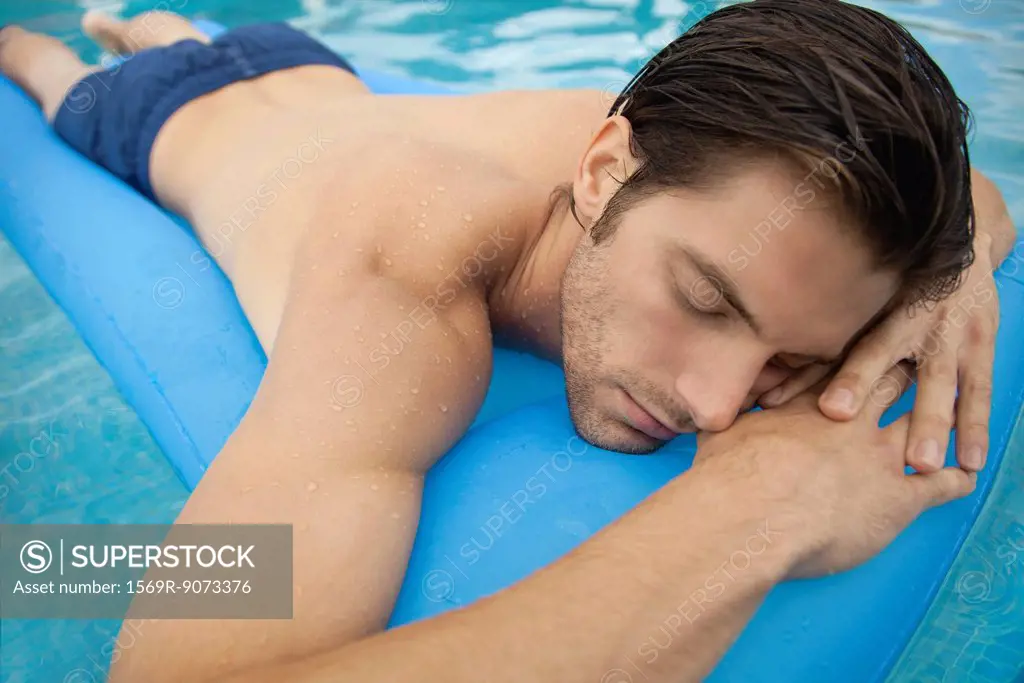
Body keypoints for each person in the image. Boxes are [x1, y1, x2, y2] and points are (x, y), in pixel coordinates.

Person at [0, 1, 1016, 681]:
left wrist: (954, 272)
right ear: (604, 171)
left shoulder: (699, 161)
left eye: (790, 359)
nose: (713, 405)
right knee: (64, 73)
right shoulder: (403, 282)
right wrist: (743, 514)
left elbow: (960, 184)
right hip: (154, 122)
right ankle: (57, 49)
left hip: (317, 74)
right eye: (706, 299)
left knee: (193, 35)